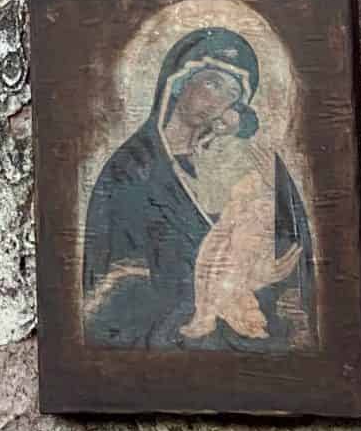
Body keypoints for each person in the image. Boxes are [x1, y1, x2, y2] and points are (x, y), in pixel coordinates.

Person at [81, 26, 314, 352]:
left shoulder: (246, 164)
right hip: (166, 339)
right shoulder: (129, 169)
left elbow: (292, 253)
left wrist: (255, 273)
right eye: (211, 83)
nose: (216, 101)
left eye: (231, 96)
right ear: (178, 81)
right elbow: (116, 284)